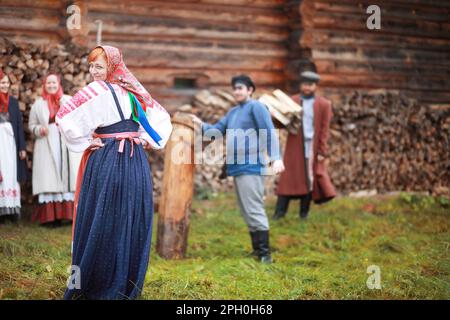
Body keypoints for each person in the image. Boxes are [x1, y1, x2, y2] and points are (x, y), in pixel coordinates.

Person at [56, 46, 172, 299]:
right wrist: (145, 139)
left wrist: (85, 141)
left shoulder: (96, 91)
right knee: (127, 215)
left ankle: (97, 282)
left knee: (104, 214)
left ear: (111, 66)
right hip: (135, 162)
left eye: (99, 66)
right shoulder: (134, 89)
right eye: (91, 66)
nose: (93, 71)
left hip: (108, 159)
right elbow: (161, 118)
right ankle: (125, 282)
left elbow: (63, 116)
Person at [192, 75, 285, 264]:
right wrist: (199, 123)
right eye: (234, 88)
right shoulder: (233, 112)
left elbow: (268, 132)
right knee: (246, 210)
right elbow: (216, 131)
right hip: (236, 167)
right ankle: (257, 251)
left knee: (254, 209)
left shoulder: (256, 107)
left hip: (251, 166)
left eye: (241, 88)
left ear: (250, 90)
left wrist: (276, 158)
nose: (237, 91)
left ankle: (265, 255)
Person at [274, 71, 336, 220]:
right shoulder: (292, 101)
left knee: (309, 179)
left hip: (312, 146)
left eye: (310, 85)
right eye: (304, 84)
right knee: (288, 177)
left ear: (315, 86)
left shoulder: (323, 104)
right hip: (294, 145)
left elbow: (324, 129)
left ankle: (304, 213)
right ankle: (280, 213)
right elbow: (281, 121)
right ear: (300, 85)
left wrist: (322, 150)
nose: (307, 88)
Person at [29, 74, 82, 226]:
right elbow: (32, 125)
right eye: (48, 83)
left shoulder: (68, 100)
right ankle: (51, 217)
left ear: (58, 84)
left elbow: (78, 119)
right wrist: (39, 129)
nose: (51, 85)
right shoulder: (38, 105)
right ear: (44, 85)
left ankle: (68, 215)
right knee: (50, 176)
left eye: (54, 83)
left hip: (65, 143)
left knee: (67, 175)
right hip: (47, 144)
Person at [0, 70, 27, 223]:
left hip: (11, 143)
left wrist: (22, 147)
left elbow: (18, 125)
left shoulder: (14, 102)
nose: (4, 85)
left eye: (6, 82)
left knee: (11, 172)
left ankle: (12, 210)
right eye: (2, 82)